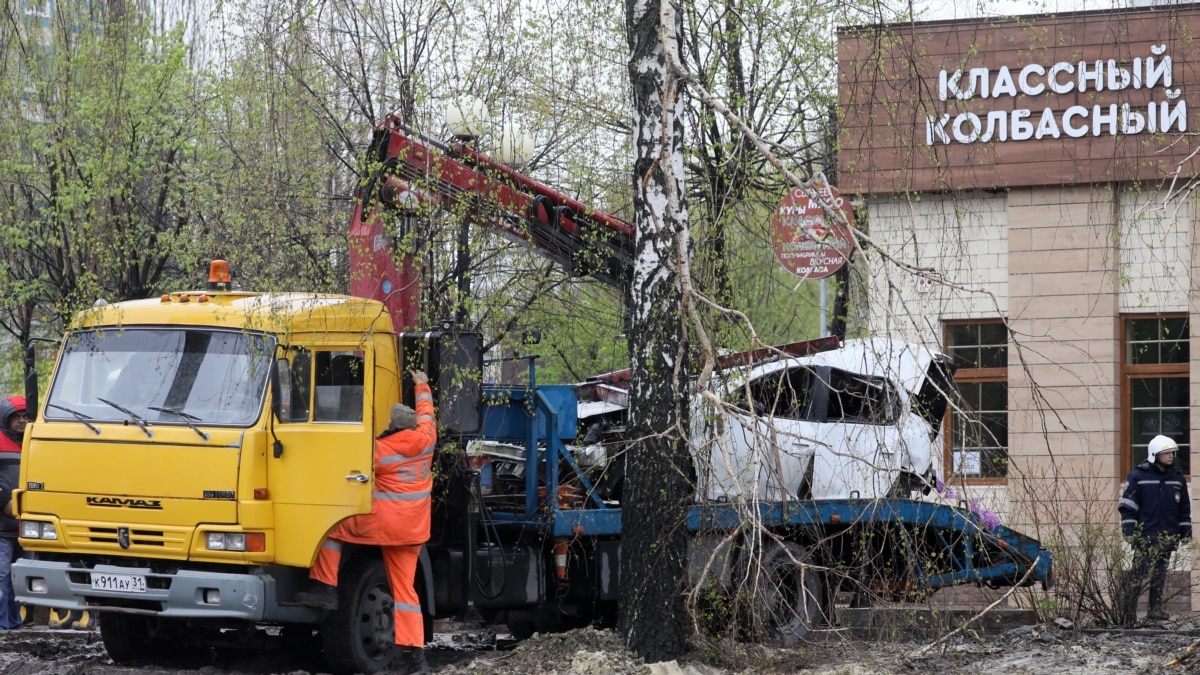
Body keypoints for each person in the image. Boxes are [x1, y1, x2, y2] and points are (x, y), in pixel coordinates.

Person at [295, 371, 436, 673]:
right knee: (406, 594)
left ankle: (326, 588)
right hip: (413, 532)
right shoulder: (427, 440)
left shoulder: (379, 450)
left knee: (331, 529)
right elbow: (427, 412)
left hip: (382, 526)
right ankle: (417, 657)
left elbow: (350, 468)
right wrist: (422, 384)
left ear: (391, 426)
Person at [1119, 434, 1193, 621]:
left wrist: (1185, 531)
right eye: (1166, 453)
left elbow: (1183, 508)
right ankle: (1129, 613)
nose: (1171, 456)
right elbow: (1128, 506)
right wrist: (1129, 530)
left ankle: (1155, 610)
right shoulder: (1138, 476)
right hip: (1145, 534)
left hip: (1167, 534)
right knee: (1139, 573)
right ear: (1155, 454)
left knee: (1160, 573)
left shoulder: (1177, 478)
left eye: (1172, 453)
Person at [0, 397, 27, 630]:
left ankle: (14, 624)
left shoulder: (33, 443)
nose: (21, 421)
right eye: (15, 417)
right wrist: (4, 503)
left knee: (20, 580)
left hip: (27, 528)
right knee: (2, 577)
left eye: (24, 416)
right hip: (2, 527)